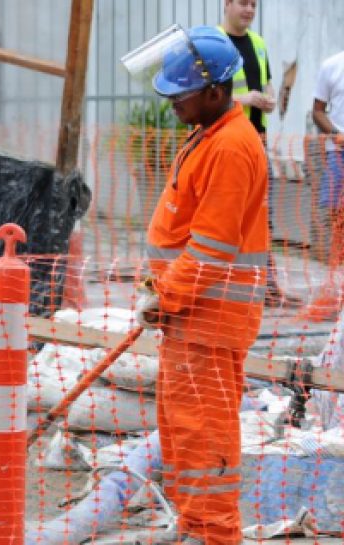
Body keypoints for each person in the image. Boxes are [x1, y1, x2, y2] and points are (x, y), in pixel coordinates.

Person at [135, 25, 269, 545]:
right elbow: (183, 228)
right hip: (189, 317)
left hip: (208, 319)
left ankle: (214, 534)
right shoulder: (209, 135)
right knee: (184, 435)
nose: (172, 104)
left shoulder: (233, 147)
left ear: (216, 90)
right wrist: (161, 292)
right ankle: (194, 525)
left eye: (180, 94)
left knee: (204, 435)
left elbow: (211, 249)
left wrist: (164, 295)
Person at [218, 0, 299, 307]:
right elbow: (205, 92)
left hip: (256, 138)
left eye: (253, 4)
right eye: (243, 3)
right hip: (225, 140)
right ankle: (229, 282)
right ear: (227, 4)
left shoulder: (258, 43)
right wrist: (245, 98)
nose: (249, 9)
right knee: (229, 211)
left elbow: (264, 83)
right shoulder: (213, 42)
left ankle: (264, 283)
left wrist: (268, 97)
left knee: (262, 212)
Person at [312, 51, 344, 270]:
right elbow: (318, 111)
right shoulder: (332, 65)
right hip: (339, 153)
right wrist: (337, 134)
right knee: (337, 219)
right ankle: (336, 278)